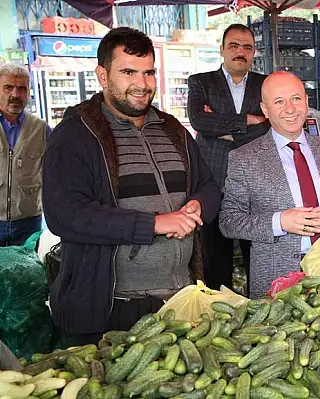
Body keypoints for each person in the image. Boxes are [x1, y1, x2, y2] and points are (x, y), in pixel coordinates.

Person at [42, 27, 221, 339]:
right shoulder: (75, 135)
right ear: (102, 75)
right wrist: (154, 224)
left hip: (180, 299)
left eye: (149, 72)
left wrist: (198, 205)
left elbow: (208, 185)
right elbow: (65, 214)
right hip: (113, 306)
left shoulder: (173, 129)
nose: (142, 84)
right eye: (128, 72)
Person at [219, 72, 320, 299]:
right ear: (265, 110)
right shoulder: (244, 158)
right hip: (276, 278)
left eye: (295, 98)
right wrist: (280, 222)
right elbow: (229, 221)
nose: (290, 109)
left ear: (306, 102)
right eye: (279, 102)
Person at [187, 24, 270, 292]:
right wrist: (250, 120)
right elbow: (200, 120)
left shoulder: (265, 84)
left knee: (256, 252)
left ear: (254, 52)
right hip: (213, 179)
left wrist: (221, 130)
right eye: (234, 45)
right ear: (222, 49)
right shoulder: (201, 82)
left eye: (247, 47)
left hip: (257, 181)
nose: (240, 52)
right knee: (215, 254)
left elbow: (272, 127)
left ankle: (258, 306)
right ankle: (216, 308)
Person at [0, 63, 52, 246]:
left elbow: (56, 171)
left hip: (28, 221)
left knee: (27, 272)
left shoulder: (41, 129)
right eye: (8, 88)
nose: (15, 94)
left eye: (21, 89)